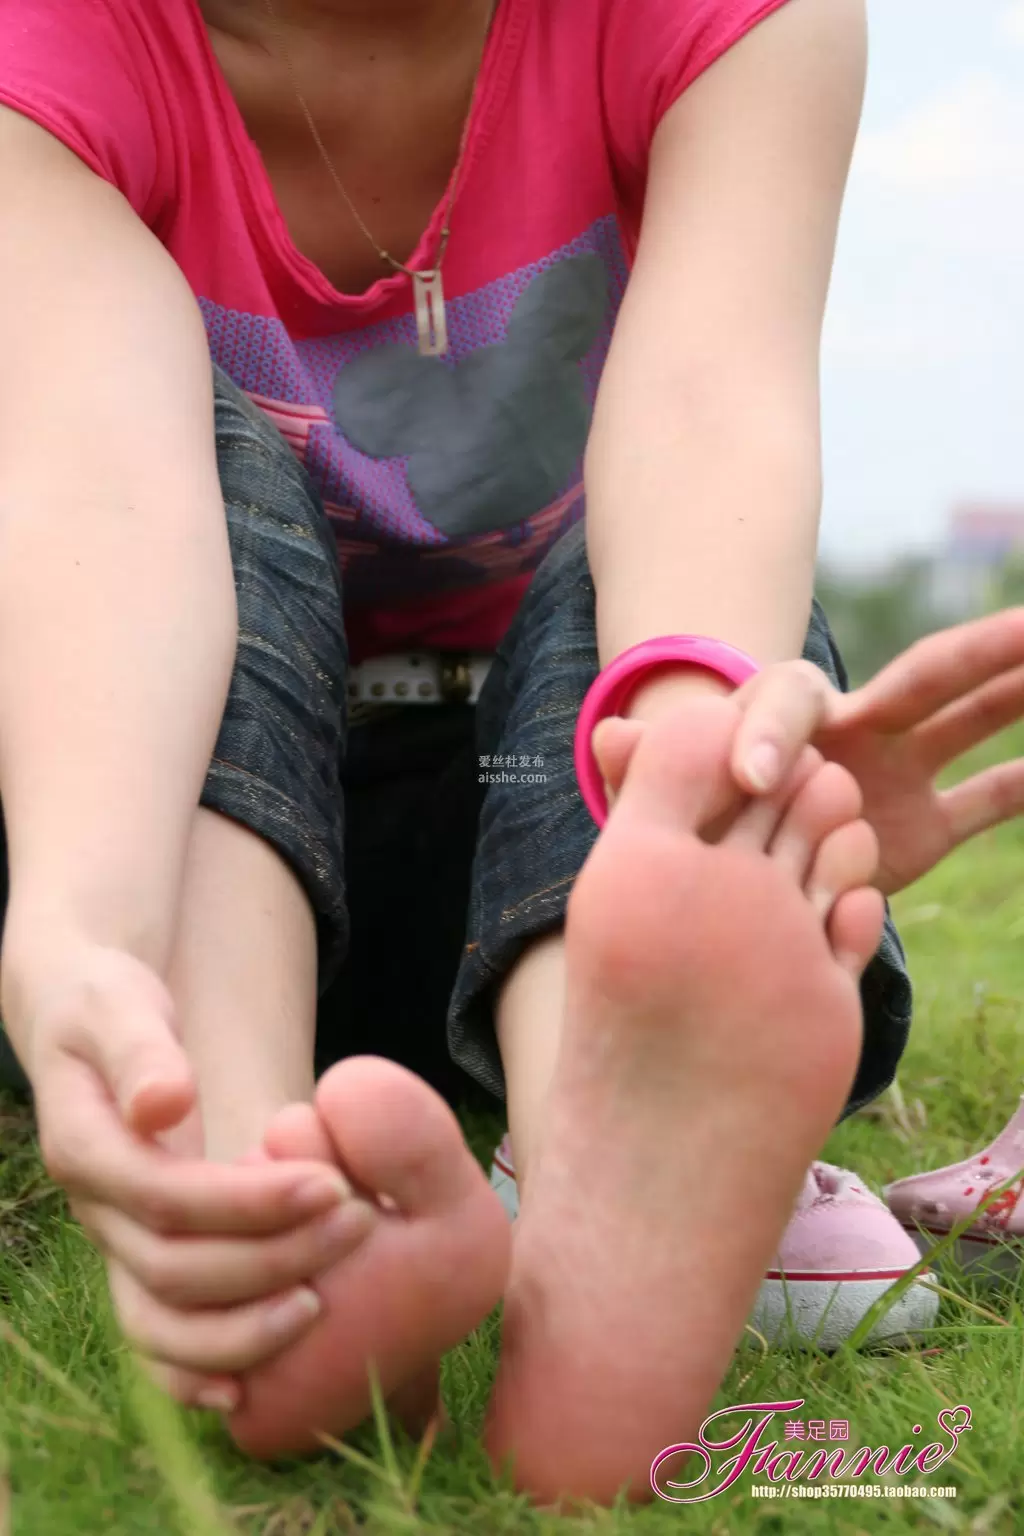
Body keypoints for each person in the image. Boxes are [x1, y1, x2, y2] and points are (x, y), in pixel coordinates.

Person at [4, 0, 1024, 1504]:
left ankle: (594, 1160)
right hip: (173, 848)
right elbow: (99, 511)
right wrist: (80, 932)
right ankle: (251, 1190)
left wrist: (704, 782)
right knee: (207, 490)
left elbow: (702, 416)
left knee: (651, 645)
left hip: (541, 843)